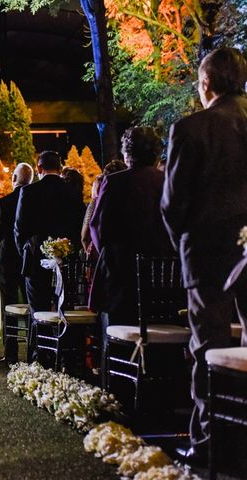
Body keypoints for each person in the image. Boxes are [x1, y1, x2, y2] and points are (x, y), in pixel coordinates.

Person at [161, 47, 247, 464]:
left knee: (208, 347)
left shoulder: (192, 129)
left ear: (206, 84)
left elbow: (173, 204)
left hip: (208, 252)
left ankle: (213, 442)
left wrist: (182, 241)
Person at [89, 127, 174, 386]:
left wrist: (108, 251)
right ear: (158, 154)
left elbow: (98, 226)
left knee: (114, 338)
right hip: (165, 285)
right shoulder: (169, 182)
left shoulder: (114, 182)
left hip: (120, 280)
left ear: (127, 155)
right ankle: (163, 388)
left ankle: (115, 388)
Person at [14, 151, 85, 316]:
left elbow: (19, 229)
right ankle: (64, 341)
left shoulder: (28, 192)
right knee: (65, 310)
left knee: (38, 311)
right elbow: (78, 228)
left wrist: (26, 251)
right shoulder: (72, 192)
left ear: (39, 167)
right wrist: (68, 251)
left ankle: (39, 341)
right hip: (66, 262)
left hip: (35, 260)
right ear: (60, 169)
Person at [0, 163, 34, 363]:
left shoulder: (3, 203)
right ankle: (35, 351)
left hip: (7, 261)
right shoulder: (37, 202)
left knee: (8, 307)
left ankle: (11, 354)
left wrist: (3, 248)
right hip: (30, 260)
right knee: (33, 306)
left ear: (14, 178)